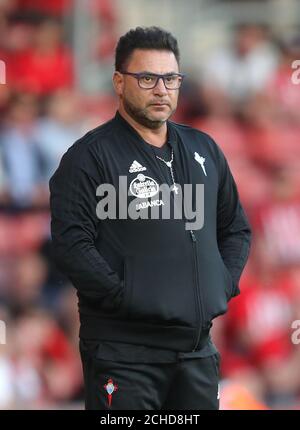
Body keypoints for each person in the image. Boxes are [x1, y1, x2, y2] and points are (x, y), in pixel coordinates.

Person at [49, 26, 251, 410]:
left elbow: (235, 228)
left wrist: (220, 283)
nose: (161, 89)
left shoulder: (204, 148)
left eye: (171, 78)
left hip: (196, 353)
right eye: (147, 78)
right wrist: (125, 296)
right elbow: (72, 245)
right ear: (119, 82)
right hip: (125, 356)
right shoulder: (88, 157)